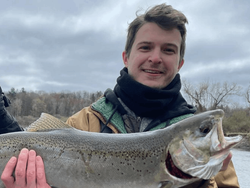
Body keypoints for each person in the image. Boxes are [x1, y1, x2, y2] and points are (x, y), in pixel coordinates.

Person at [0, 3, 240, 188]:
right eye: (146, 47)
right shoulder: (83, 124)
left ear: (180, 63)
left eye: (168, 50)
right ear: (126, 57)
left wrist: (200, 182)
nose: (155, 58)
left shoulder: (209, 156)